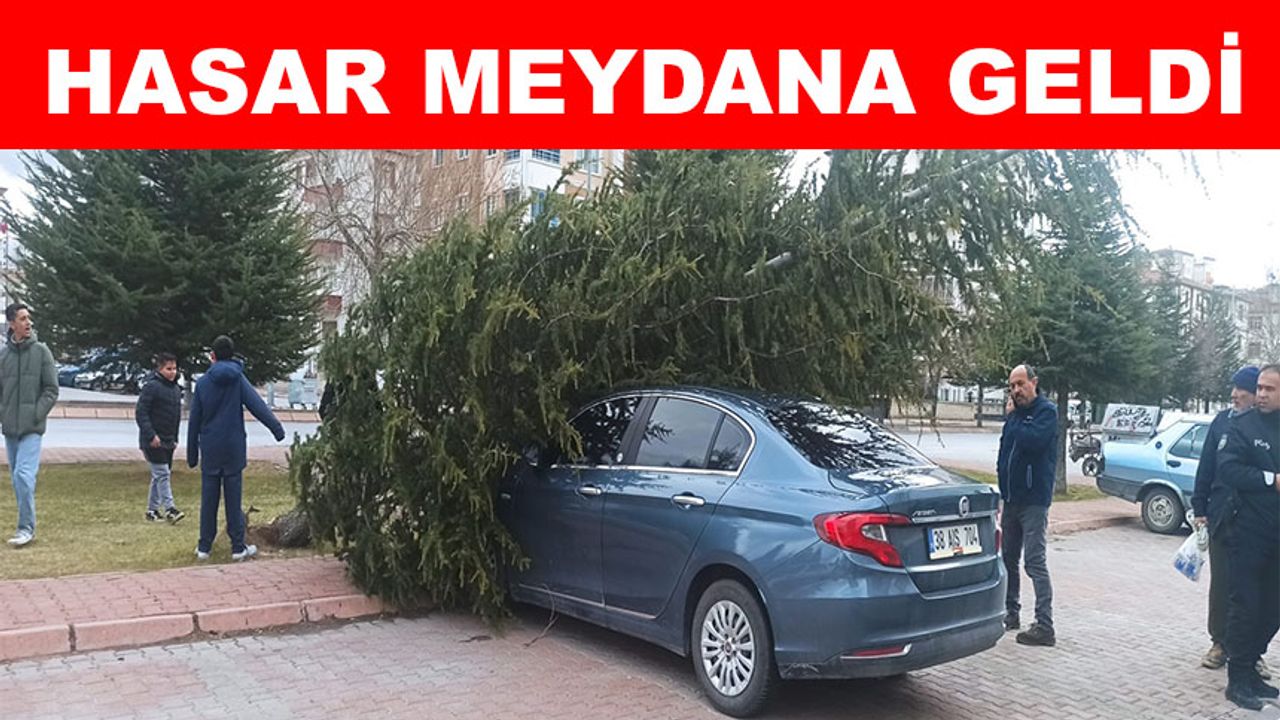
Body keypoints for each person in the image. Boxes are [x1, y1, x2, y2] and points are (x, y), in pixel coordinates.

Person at [187, 336, 285, 561]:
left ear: (212, 356)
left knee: (209, 499)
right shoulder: (238, 379)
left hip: (210, 447)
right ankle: (237, 547)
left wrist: (192, 454)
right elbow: (258, 406)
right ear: (232, 355)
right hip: (233, 447)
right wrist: (277, 429)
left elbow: (194, 421)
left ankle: (204, 547)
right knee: (233, 499)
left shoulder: (202, 383)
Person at [1216, 363, 1280, 711]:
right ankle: (1237, 680)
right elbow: (1228, 469)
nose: (1262, 394)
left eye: (1270, 389)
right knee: (1246, 607)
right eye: (1260, 388)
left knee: (1272, 609)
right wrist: (1271, 480)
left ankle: (1253, 668)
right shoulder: (1242, 426)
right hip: (1248, 532)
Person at [1190, 366, 1261, 672]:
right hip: (1221, 516)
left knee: (1253, 588)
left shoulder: (1267, 427)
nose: (1234, 394)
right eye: (1234, 388)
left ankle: (1251, 652)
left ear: (1256, 394)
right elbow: (1206, 467)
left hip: (1256, 520)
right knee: (1221, 585)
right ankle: (1219, 643)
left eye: (1241, 389)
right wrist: (1200, 508)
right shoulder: (1221, 422)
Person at [997, 363, 1058, 647]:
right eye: (1012, 386)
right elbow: (1005, 451)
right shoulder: (1016, 416)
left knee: (1034, 561)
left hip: (1034, 501)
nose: (1016, 390)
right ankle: (1011, 612)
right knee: (1008, 558)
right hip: (1011, 499)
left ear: (1034, 382)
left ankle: (1045, 625)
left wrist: (1013, 418)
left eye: (1021, 384)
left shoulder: (1046, 412)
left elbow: (1032, 442)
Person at [1, 303, 59, 548]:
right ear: (11, 323)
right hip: (10, 430)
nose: (28, 323)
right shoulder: (3, 356)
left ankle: (26, 529)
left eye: (29, 318)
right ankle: (25, 524)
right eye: (23, 318)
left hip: (32, 428)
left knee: (23, 476)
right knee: (18, 479)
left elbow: (51, 389)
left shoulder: (41, 352)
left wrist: (36, 414)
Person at [135, 352, 185, 524]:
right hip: (153, 440)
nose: (172, 372)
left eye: (174, 368)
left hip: (168, 439)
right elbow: (141, 413)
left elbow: (176, 416)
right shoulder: (151, 387)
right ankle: (170, 508)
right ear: (160, 369)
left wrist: (175, 437)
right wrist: (151, 435)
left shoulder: (176, 390)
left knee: (160, 476)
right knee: (162, 473)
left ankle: (152, 510)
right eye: (168, 369)